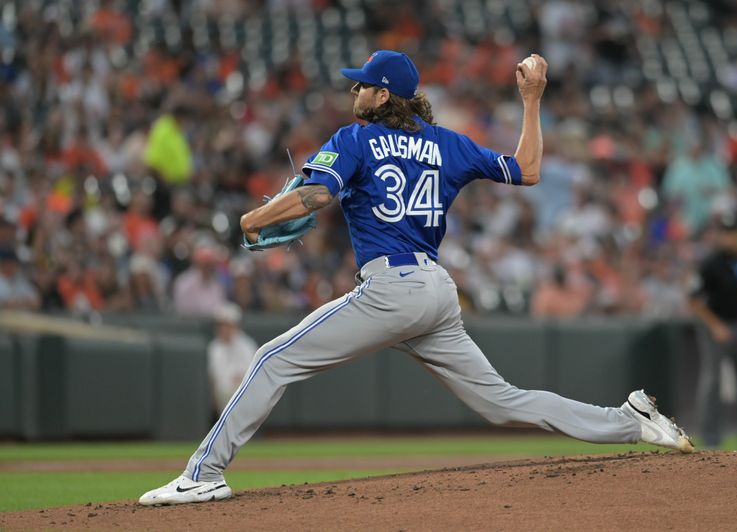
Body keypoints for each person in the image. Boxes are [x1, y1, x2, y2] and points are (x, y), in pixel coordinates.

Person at [139, 50, 693, 506]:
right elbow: (527, 170)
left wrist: (255, 217)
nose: (354, 92)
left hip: (392, 289)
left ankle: (205, 472)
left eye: (362, 86)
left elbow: (317, 194)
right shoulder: (447, 143)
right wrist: (531, 100)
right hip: (436, 294)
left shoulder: (356, 139)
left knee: (271, 359)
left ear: (382, 96)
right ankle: (631, 422)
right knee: (503, 402)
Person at [688, 212, 737, 448]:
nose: (728, 238)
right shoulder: (711, 262)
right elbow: (693, 300)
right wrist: (716, 326)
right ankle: (711, 440)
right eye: (725, 233)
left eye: (732, 233)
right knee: (712, 382)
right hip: (716, 326)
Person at [207, 303, 259, 416]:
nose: (223, 329)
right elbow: (216, 376)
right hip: (223, 393)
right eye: (221, 325)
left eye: (227, 325)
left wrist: (239, 379)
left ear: (235, 326)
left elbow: (252, 374)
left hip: (244, 391)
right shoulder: (214, 347)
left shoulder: (247, 344)